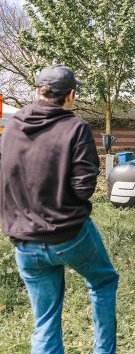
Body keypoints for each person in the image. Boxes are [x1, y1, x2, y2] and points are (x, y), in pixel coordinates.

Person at [0, 65, 119, 354]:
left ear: (39, 91)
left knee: (45, 320)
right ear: (71, 95)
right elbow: (83, 188)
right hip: (70, 234)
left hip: (24, 240)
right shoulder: (75, 128)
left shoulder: (12, 126)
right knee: (103, 281)